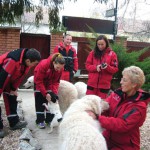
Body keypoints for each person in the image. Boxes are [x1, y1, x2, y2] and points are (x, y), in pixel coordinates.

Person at [88, 66, 150, 150]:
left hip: (125, 145)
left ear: (134, 84)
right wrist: (93, 110)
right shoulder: (118, 93)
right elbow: (106, 107)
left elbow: (122, 124)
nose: (121, 82)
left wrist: (98, 118)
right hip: (108, 138)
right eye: (121, 79)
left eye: (124, 80)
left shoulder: (139, 106)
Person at [0, 48, 41, 138]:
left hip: (8, 78)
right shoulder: (12, 61)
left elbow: (19, 77)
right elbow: (2, 77)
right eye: (34, 64)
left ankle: (14, 122)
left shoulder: (25, 63)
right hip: (1, 76)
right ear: (28, 60)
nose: (34, 66)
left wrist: (13, 89)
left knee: (12, 96)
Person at [34, 53, 65, 129]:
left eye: (60, 68)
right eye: (57, 67)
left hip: (50, 84)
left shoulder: (60, 69)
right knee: (40, 101)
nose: (58, 70)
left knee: (52, 100)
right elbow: (38, 80)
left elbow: (56, 81)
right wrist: (45, 93)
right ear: (54, 62)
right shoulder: (44, 65)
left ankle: (49, 120)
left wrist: (54, 92)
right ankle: (40, 121)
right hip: (39, 82)